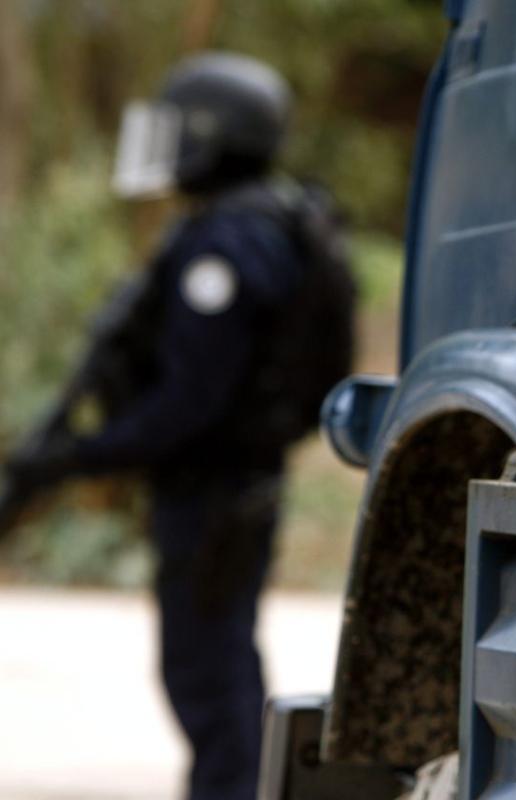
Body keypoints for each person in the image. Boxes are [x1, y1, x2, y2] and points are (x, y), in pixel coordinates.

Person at [1, 52, 355, 800]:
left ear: (211, 133)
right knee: (221, 658)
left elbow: (192, 402)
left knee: (205, 667)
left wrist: (77, 457)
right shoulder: (266, 219)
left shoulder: (229, 242)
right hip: (234, 483)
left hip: (214, 490)